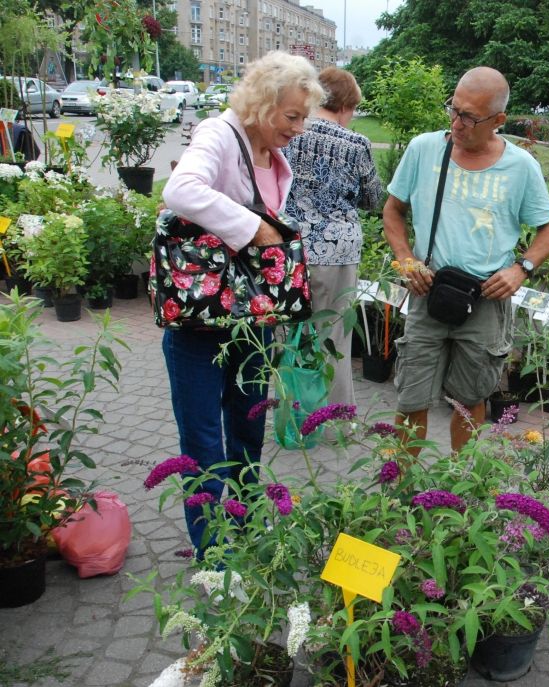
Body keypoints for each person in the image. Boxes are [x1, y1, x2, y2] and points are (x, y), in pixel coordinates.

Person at [161, 51, 323, 553]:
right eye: (292, 116)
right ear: (261, 103)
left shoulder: (271, 152)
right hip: (201, 325)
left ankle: (248, 531)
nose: (299, 128)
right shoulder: (219, 132)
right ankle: (213, 553)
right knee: (204, 444)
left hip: (252, 322)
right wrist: (253, 228)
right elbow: (180, 190)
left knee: (249, 433)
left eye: (304, 117)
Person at [383, 66, 549, 454]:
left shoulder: (520, 167)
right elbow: (393, 210)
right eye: (454, 109)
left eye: (469, 117)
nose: (457, 123)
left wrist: (521, 269)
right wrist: (406, 259)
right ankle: (398, 492)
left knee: (470, 401)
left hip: (485, 300)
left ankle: (457, 493)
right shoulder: (424, 149)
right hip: (427, 290)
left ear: (498, 121)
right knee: (411, 399)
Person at [284, 67, 383, 407]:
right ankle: (338, 414)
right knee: (336, 335)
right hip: (338, 251)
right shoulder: (355, 143)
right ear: (345, 105)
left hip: (292, 249)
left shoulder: (290, 132)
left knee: (295, 332)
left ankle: (295, 411)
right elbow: (373, 198)